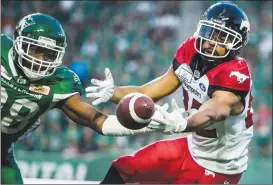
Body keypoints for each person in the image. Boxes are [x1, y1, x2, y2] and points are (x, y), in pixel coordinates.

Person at [1, 13, 187, 184]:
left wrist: (147, 124)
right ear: (18, 43)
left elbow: (97, 121)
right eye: (35, 50)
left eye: (49, 54)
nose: (40, 60)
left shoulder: (59, 81)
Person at [86, 2, 253, 184]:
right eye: (210, 32)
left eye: (221, 36)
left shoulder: (236, 72)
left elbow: (214, 112)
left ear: (236, 44)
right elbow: (147, 91)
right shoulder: (190, 51)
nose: (211, 41)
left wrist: (183, 124)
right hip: (191, 148)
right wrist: (114, 91)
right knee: (123, 168)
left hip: (219, 166)